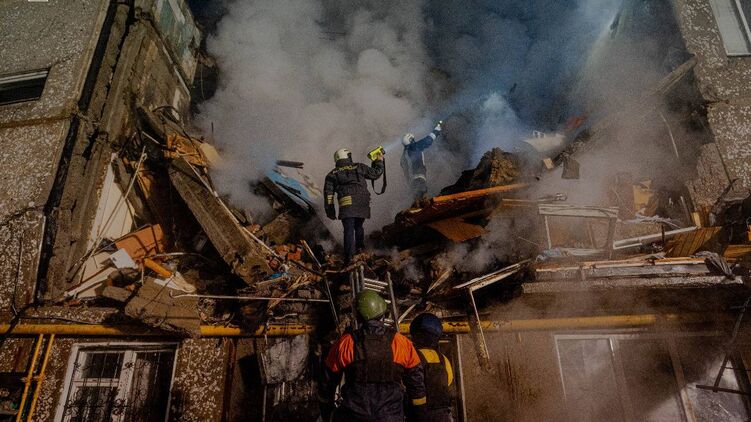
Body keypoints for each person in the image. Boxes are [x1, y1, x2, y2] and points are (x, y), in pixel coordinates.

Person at [319, 290, 428, 422]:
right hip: (391, 417)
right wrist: (418, 416)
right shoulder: (401, 343)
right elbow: (417, 388)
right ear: (383, 315)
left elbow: (326, 386)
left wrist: (328, 415)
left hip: (353, 417)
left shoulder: (346, 343)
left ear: (357, 317)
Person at [324, 148, 384, 264]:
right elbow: (376, 173)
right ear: (347, 156)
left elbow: (329, 195)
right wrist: (379, 160)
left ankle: (349, 258)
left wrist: (330, 211)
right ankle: (360, 249)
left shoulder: (332, 174)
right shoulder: (359, 166)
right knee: (359, 226)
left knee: (349, 229)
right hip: (362, 203)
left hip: (347, 204)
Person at [409, 313, 455, 422]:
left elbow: (405, 385)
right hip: (443, 416)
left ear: (416, 335)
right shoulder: (444, 359)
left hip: (419, 415)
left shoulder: (412, 357)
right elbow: (449, 382)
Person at [401, 121, 443, 202]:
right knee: (424, 199)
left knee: (417, 200)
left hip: (411, 183)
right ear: (411, 140)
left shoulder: (403, 157)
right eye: (413, 139)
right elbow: (428, 140)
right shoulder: (414, 148)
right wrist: (437, 130)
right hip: (419, 179)